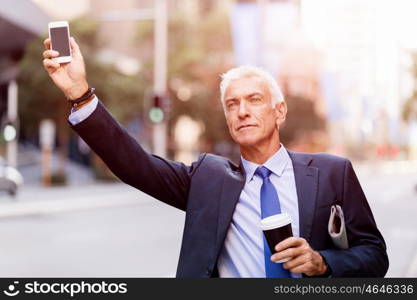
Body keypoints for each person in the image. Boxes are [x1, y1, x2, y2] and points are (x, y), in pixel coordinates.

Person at [42, 37, 388, 278]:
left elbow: (374, 255)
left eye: (254, 100)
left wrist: (322, 263)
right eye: (232, 104)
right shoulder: (208, 179)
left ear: (279, 110)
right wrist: (80, 95)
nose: (242, 111)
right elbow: (135, 165)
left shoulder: (332, 172)